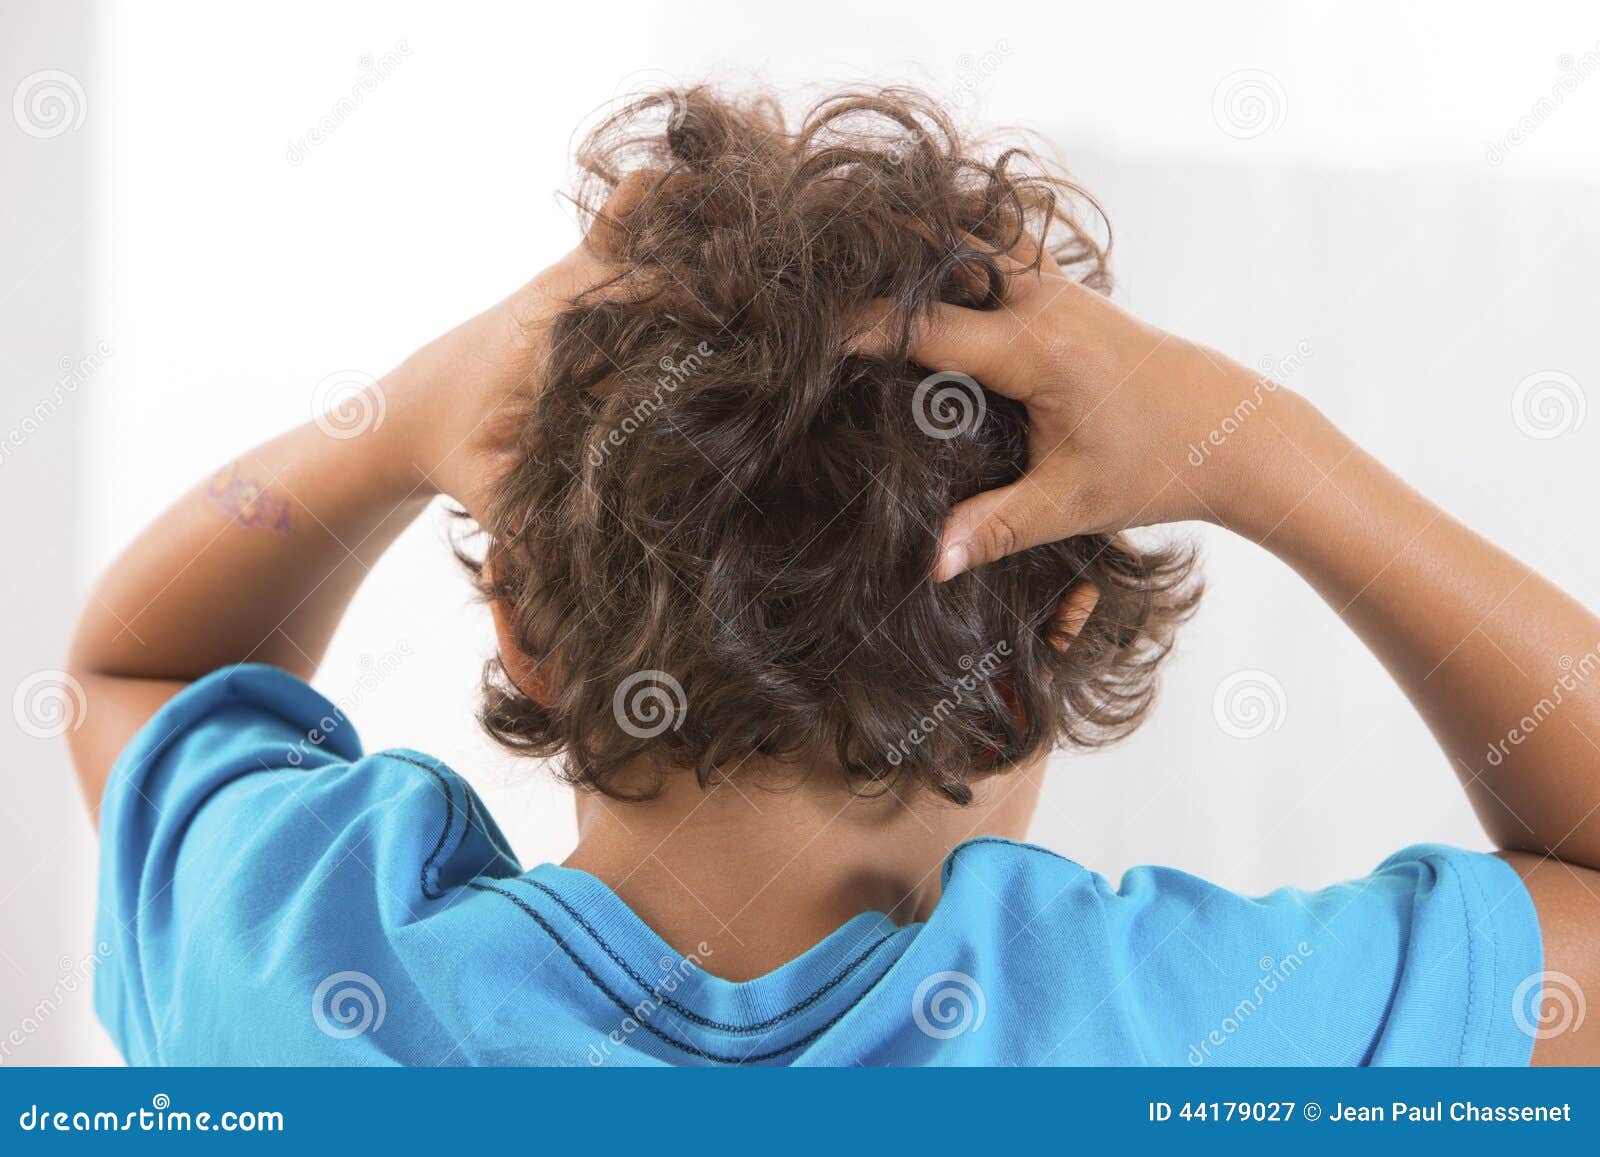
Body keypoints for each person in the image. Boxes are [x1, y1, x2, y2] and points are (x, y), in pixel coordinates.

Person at [69, 88, 1598, 1066]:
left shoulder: (299, 975)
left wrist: (404, 415)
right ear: (1019, 676)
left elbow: (136, 668)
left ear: (527, 629)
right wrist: (1258, 445)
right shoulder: (1172, 1033)